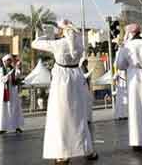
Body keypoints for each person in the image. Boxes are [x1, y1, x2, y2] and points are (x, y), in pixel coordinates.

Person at [32, 19, 98, 164]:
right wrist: (61, 28)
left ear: (62, 31)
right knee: (79, 115)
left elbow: (35, 44)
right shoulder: (80, 43)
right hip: (76, 77)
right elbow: (73, 35)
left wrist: (42, 33)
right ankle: (87, 150)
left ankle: (62, 154)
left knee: (60, 115)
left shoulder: (57, 44)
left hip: (62, 79)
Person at [0, 54, 24, 134]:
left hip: (13, 92)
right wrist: (9, 74)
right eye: (8, 60)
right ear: (4, 61)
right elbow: (2, 79)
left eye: (10, 60)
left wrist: (18, 68)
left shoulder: (13, 69)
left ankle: (16, 126)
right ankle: (1, 127)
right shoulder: (0, 70)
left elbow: (17, 76)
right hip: (5, 92)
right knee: (4, 110)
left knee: (15, 108)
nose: (10, 62)